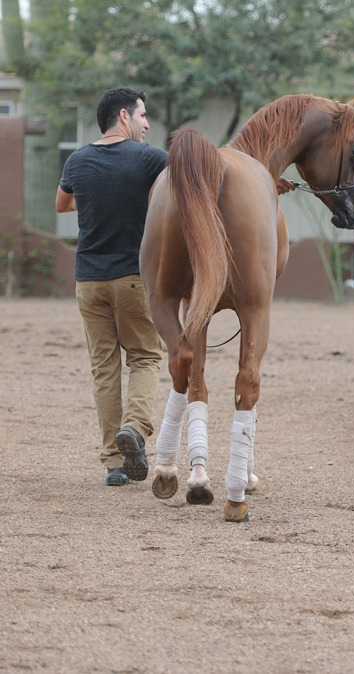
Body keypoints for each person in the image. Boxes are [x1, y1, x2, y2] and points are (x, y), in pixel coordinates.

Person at [56, 87, 167, 487]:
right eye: (142, 116)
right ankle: (135, 430)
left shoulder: (77, 160)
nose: (147, 124)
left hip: (88, 280)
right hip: (132, 279)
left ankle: (114, 464)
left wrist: (93, 202)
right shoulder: (150, 158)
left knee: (104, 369)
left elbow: (62, 205)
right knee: (145, 357)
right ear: (124, 116)